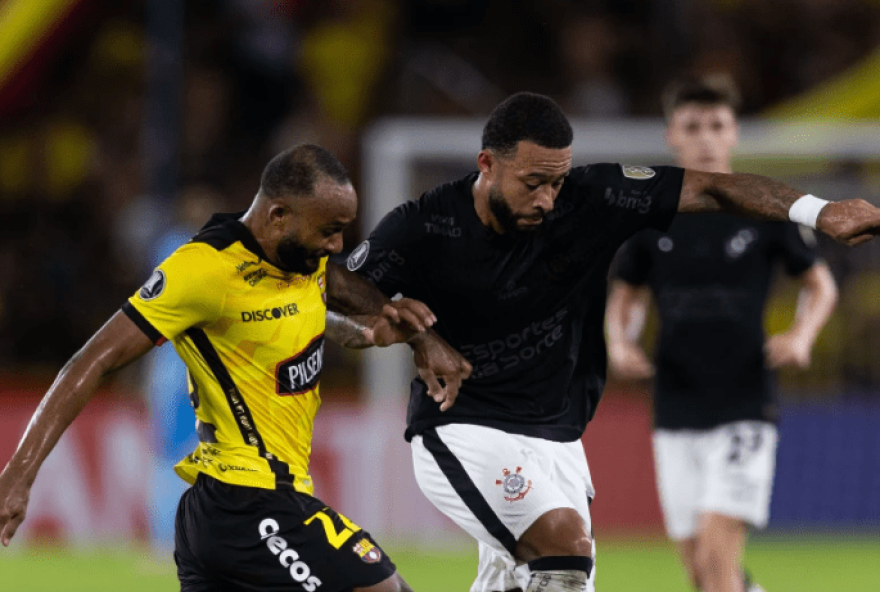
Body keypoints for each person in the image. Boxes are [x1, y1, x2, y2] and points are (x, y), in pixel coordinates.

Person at [344, 91, 880, 592]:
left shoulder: (595, 196)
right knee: (564, 552)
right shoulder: (426, 224)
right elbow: (336, 282)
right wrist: (419, 338)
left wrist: (820, 211)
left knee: (530, 578)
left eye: (558, 181)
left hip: (559, 437)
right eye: (533, 182)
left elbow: (713, 187)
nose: (549, 199)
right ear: (487, 164)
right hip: (462, 425)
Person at [0, 144, 471, 592]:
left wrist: (391, 333)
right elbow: (91, 361)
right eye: (328, 230)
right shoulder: (205, 271)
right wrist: (19, 475)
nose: (336, 244)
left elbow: (332, 293)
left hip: (250, 509)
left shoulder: (298, 262)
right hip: (244, 500)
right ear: (278, 215)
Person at [604, 77, 839, 592]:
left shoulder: (764, 208)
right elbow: (625, 295)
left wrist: (802, 336)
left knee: (715, 560)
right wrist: (619, 344)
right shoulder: (650, 217)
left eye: (717, 125)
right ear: (672, 135)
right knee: (702, 574)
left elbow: (819, 285)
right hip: (674, 404)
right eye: (693, 126)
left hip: (744, 401)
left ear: (734, 134)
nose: (706, 137)